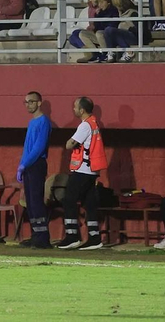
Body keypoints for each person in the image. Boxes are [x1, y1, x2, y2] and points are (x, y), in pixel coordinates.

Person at [56, 95, 106, 250]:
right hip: (91, 170)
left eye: (75, 106)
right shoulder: (94, 123)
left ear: (82, 110)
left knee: (69, 199)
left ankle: (72, 236)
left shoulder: (84, 126)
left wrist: (69, 143)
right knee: (89, 203)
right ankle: (94, 237)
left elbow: (70, 144)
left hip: (83, 170)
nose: (73, 109)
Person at [17, 91, 53, 248]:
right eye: (25, 102)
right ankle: (35, 234)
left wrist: (26, 163)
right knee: (30, 202)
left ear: (39, 103)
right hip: (29, 165)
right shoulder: (32, 123)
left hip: (37, 164)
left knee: (37, 201)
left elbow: (39, 147)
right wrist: (21, 164)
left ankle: (43, 237)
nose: (28, 105)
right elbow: (27, 147)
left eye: (31, 101)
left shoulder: (43, 121)